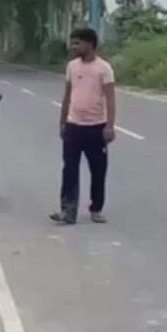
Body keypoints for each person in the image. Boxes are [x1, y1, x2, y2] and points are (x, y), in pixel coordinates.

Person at [52, 28, 116, 226]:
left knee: (98, 170)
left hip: (96, 127)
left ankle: (96, 208)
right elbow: (67, 95)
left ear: (90, 44)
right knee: (69, 169)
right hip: (73, 126)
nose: (74, 46)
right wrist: (62, 122)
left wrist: (110, 126)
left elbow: (111, 99)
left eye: (77, 43)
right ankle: (67, 211)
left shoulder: (104, 68)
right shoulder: (72, 66)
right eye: (73, 43)